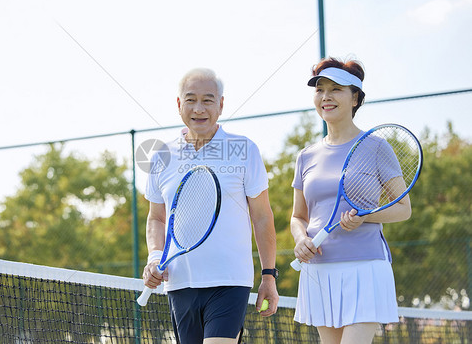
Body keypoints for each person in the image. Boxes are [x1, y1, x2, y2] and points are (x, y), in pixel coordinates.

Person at [142, 68, 279, 344]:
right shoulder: (161, 156)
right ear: (179, 104)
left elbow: (262, 217)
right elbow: (156, 218)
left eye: (208, 100)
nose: (199, 109)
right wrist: (154, 256)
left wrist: (269, 276)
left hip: (230, 281)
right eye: (191, 100)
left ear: (221, 104)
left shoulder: (243, 150)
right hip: (179, 284)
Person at [290, 58, 411, 344]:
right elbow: (298, 217)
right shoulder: (306, 156)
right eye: (320, 89)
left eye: (336, 89)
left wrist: (365, 216)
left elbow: (404, 209)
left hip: (365, 265)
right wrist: (300, 239)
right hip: (319, 271)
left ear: (355, 97)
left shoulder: (377, 147)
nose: (326, 96)